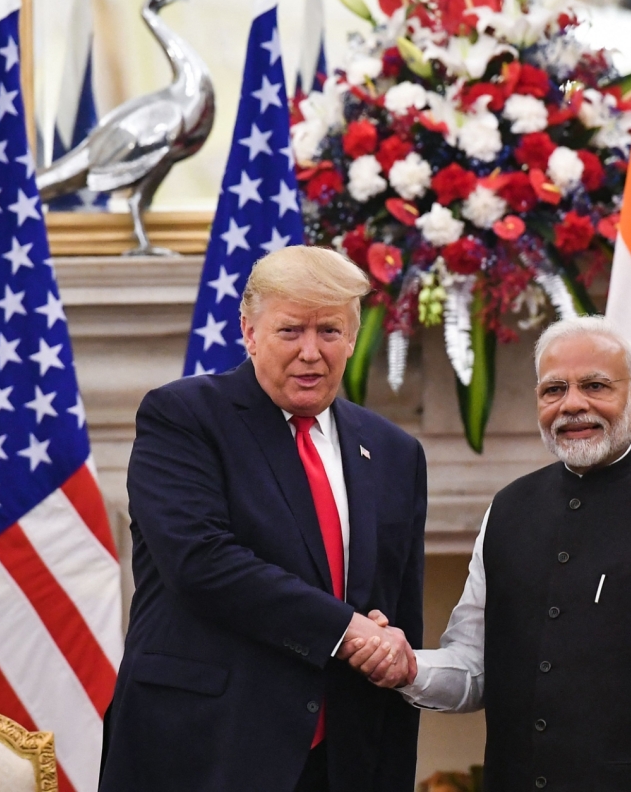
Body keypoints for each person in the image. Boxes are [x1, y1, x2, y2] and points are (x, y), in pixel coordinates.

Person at [345, 316, 631, 792]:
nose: (573, 405)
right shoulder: (508, 510)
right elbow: (473, 667)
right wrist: (410, 667)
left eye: (595, 386)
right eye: (554, 390)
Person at [100, 246, 426, 792]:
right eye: (290, 331)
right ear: (249, 332)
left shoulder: (394, 451)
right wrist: (345, 631)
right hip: (205, 750)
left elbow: (398, 615)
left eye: (329, 331)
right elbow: (201, 563)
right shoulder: (183, 417)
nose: (311, 353)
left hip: (342, 759)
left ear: (352, 337)